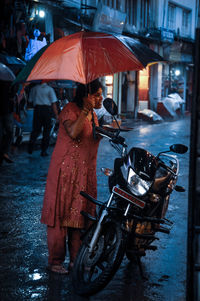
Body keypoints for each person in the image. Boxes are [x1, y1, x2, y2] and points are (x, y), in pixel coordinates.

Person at [41, 79, 103, 274]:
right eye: (97, 94)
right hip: (65, 173)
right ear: (86, 96)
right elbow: (74, 132)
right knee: (60, 217)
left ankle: (76, 260)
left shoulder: (93, 114)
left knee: (80, 218)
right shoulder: (70, 109)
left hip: (84, 174)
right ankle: (55, 261)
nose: (101, 98)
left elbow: (91, 137)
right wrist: (85, 110)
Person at [27, 82, 59, 156]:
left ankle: (31, 146)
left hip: (37, 110)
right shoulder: (50, 89)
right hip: (46, 111)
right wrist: (56, 114)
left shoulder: (33, 89)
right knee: (46, 131)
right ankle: (43, 151)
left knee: (36, 129)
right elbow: (53, 103)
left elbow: (30, 101)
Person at [0, 80, 16, 164]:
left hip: (7, 110)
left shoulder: (9, 82)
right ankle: (4, 152)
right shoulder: (9, 81)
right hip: (7, 110)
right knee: (9, 133)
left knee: (6, 133)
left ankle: (4, 152)